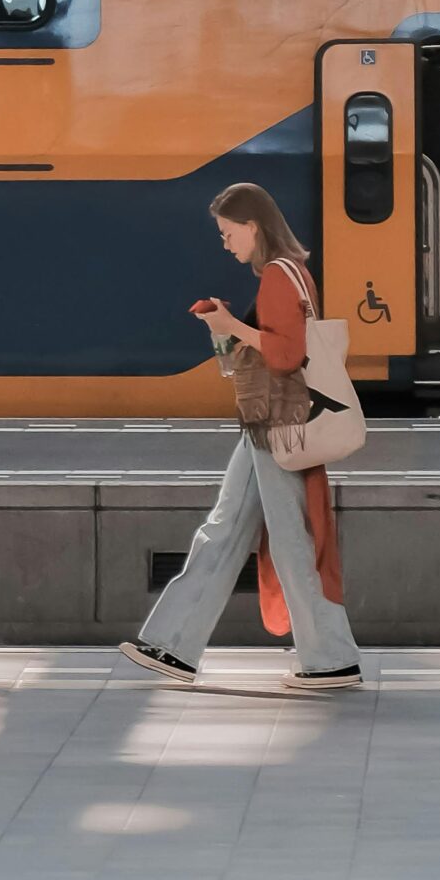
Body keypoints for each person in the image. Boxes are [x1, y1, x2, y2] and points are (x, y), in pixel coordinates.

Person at [120, 182, 363, 694]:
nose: (226, 244)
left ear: (254, 226)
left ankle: (333, 659)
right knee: (226, 527)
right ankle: (174, 644)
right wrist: (226, 330)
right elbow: (268, 351)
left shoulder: (278, 274)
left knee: (289, 542)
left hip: (277, 426)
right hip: (267, 426)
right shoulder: (295, 272)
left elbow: (285, 354)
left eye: (229, 233)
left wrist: (232, 323)